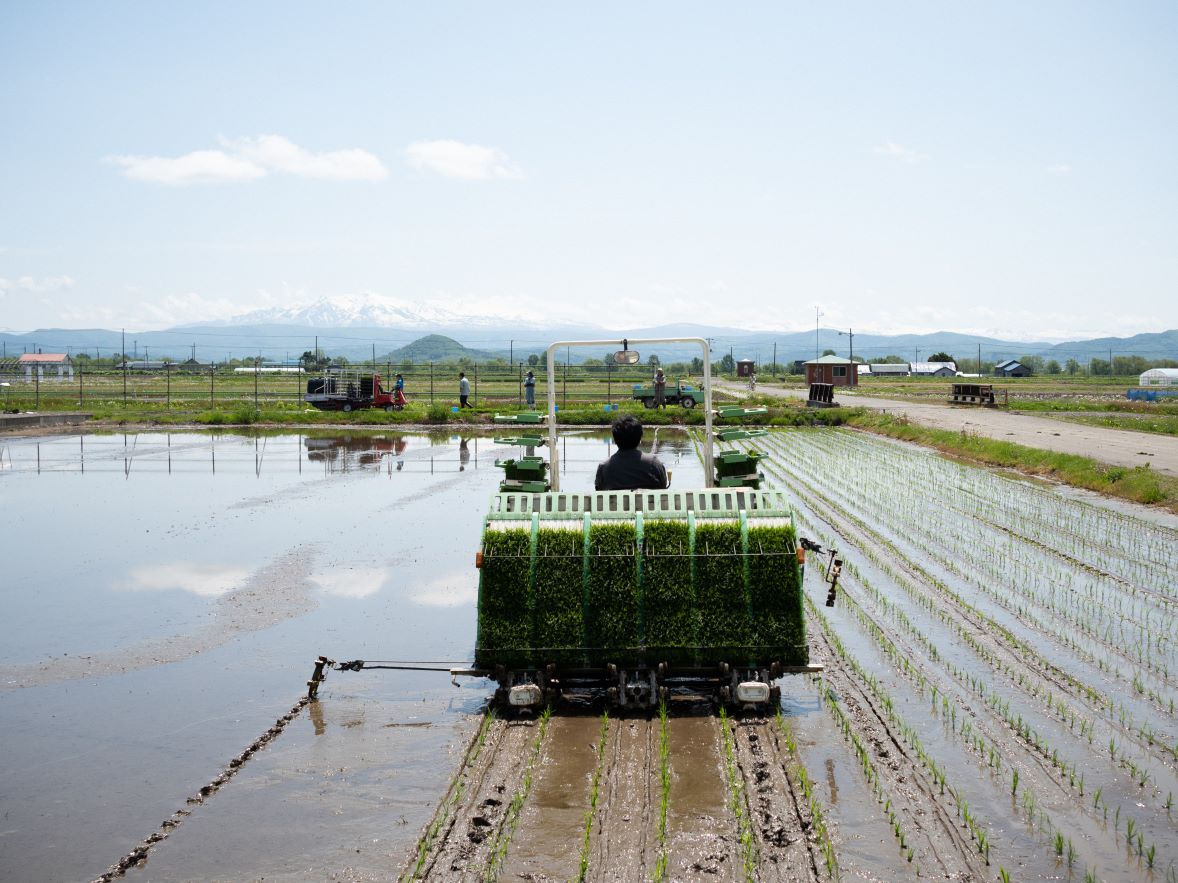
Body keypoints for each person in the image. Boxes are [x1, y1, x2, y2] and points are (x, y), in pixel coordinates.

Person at [595, 414, 668, 491]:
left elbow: (599, 491)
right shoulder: (654, 463)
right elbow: (663, 487)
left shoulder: (604, 467)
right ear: (640, 439)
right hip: (647, 503)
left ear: (615, 440)